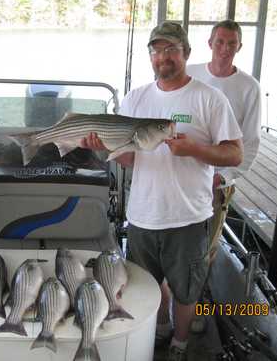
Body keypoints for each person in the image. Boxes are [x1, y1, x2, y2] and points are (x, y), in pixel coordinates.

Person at [81, 21, 243, 360]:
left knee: (185, 290)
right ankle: (160, 329)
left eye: (170, 49)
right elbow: (127, 159)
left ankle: (180, 343)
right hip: (142, 215)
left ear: (186, 52)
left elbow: (234, 153)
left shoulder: (209, 98)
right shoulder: (136, 98)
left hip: (187, 215)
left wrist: (194, 150)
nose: (162, 57)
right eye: (156, 50)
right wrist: (99, 147)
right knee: (146, 286)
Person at [187, 19, 261, 260]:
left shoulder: (250, 87)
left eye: (232, 43)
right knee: (174, 241)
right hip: (183, 172)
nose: (225, 48)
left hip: (218, 182)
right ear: (210, 43)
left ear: (239, 47)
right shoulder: (189, 73)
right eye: (220, 42)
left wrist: (224, 177)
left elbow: (250, 142)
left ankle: (194, 293)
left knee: (204, 249)